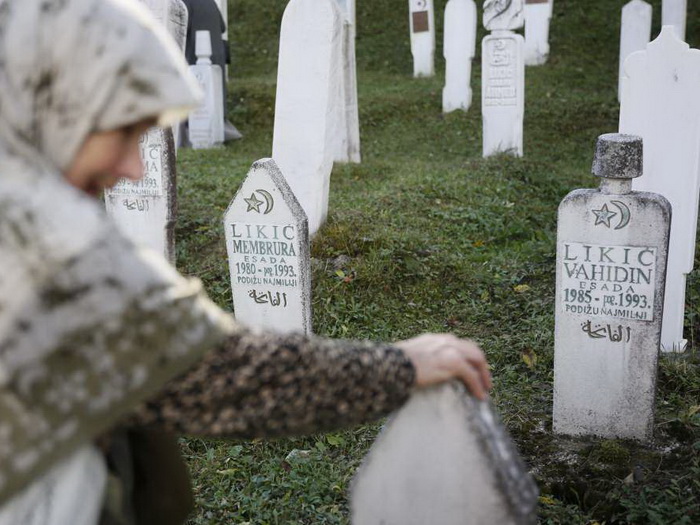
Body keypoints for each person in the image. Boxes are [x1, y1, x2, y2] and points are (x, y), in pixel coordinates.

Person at [0, 0, 491, 523]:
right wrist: (400, 366)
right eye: (122, 133)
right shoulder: (40, 244)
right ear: (56, 106)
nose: (134, 167)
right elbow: (217, 373)